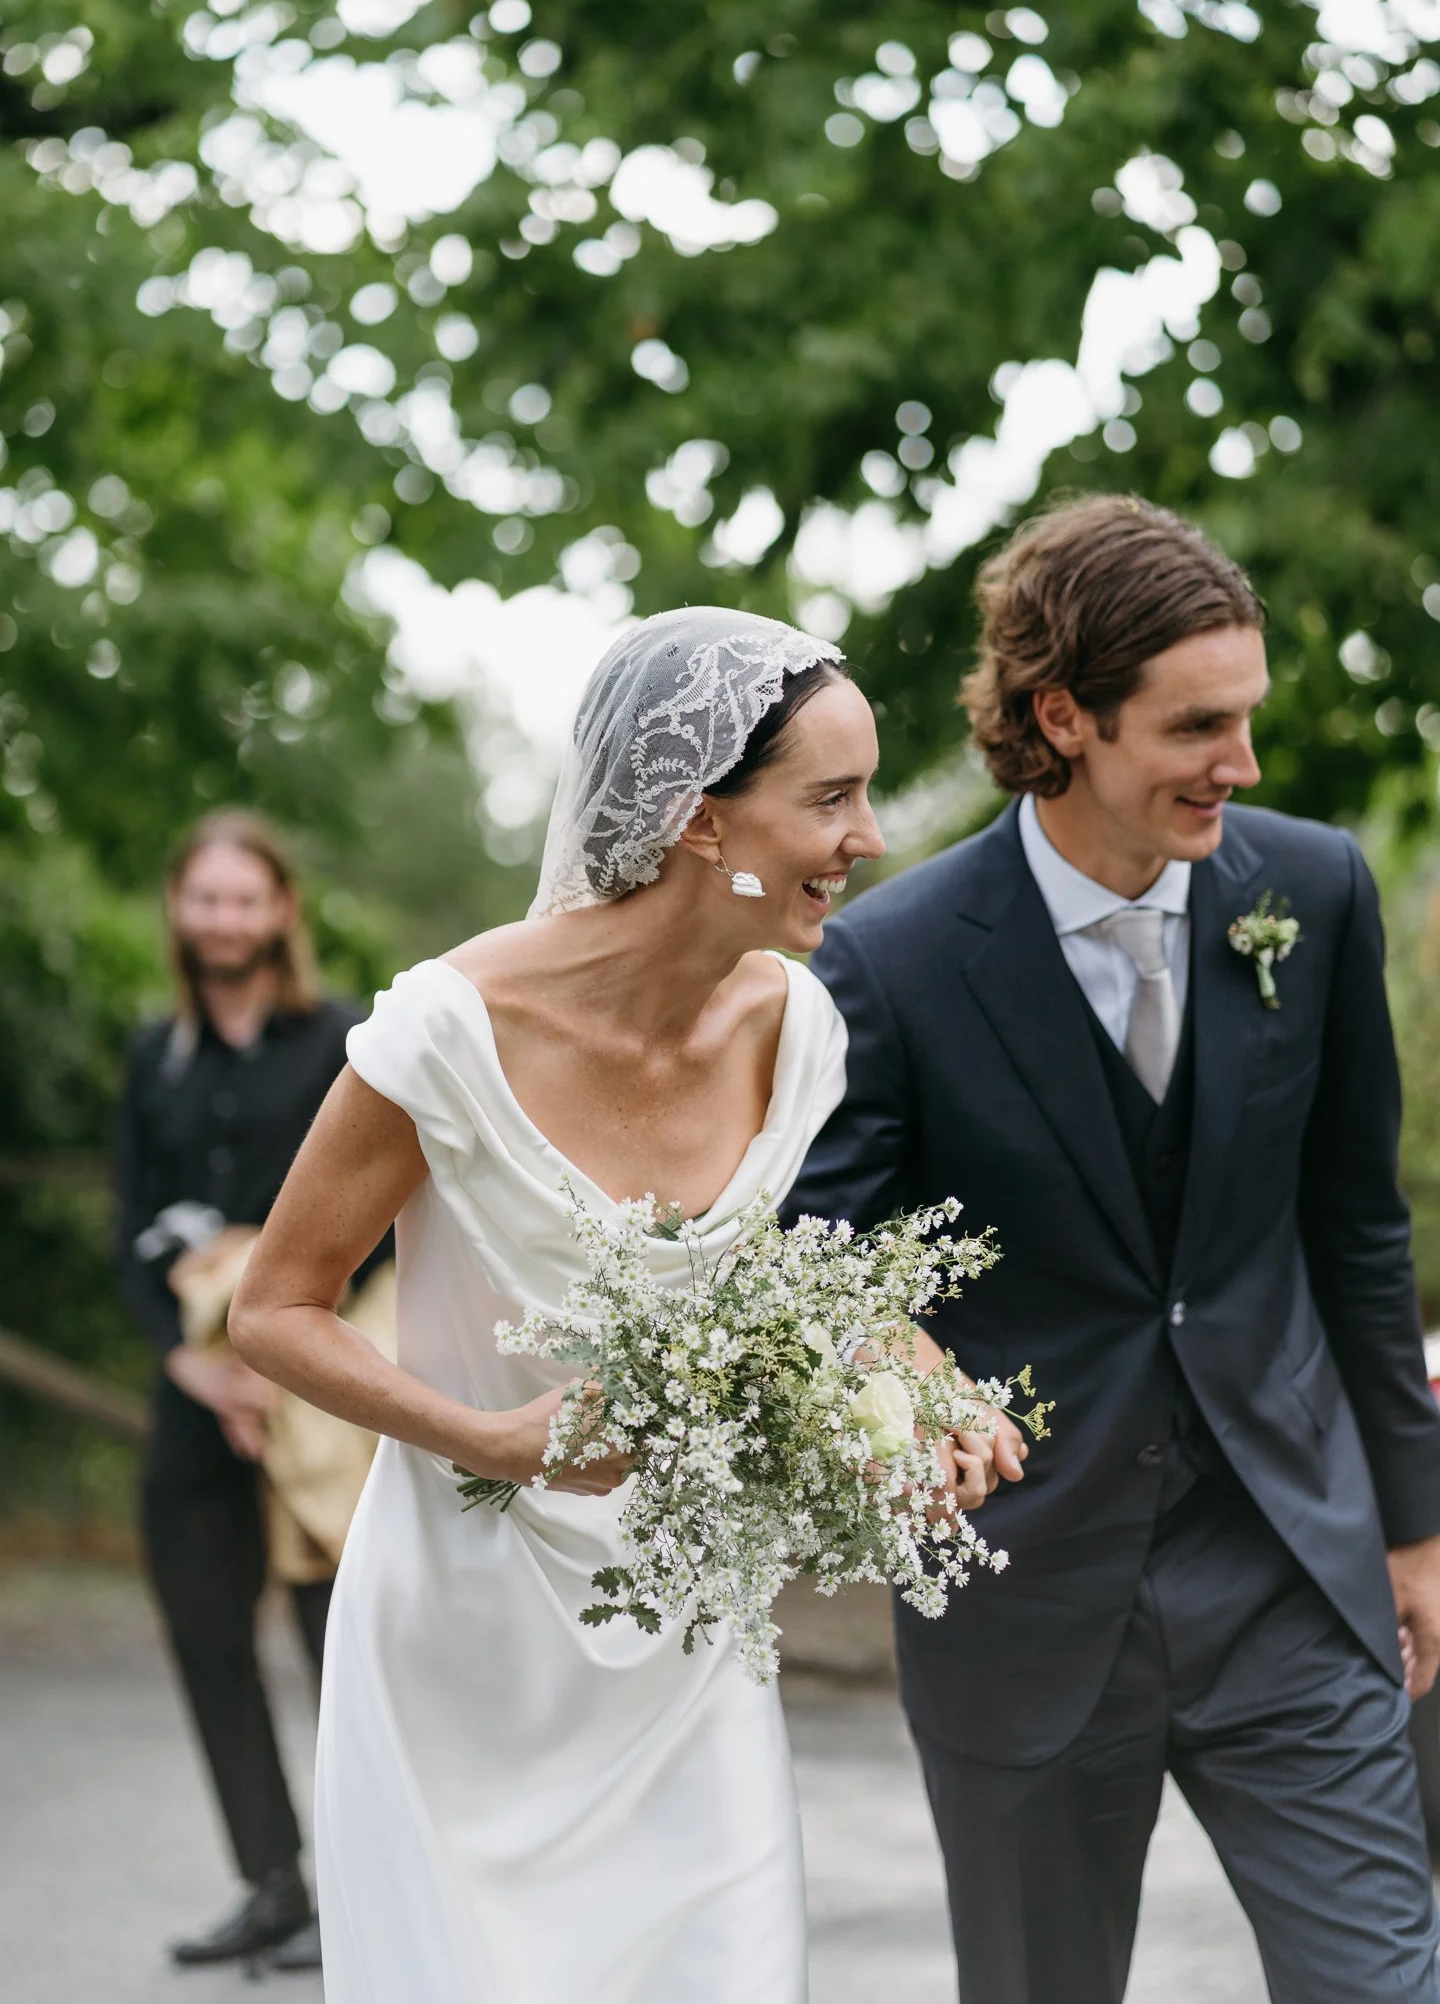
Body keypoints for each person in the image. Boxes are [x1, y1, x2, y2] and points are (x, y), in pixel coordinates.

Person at [229, 609, 989, 2002]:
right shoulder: (447, 1032)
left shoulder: (797, 1028)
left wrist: (912, 1370)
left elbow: (772, 1279)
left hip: (694, 1639)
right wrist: (497, 1439)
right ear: (704, 823)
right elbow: (274, 1311)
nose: (868, 837)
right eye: (831, 798)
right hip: (464, 1649)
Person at [786, 493, 1440, 2004]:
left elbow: (1356, 1228)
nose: (1245, 765)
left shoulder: (1315, 894)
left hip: (1289, 1556)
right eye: (1199, 726)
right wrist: (904, 1374)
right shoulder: (888, 960)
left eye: (1249, 717)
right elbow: (821, 1245)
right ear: (1065, 714)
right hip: (1028, 1588)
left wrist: (1411, 1523)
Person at [115, 810, 387, 1970]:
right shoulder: (152, 1054)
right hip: (197, 1394)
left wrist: (277, 1335)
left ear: (280, 910)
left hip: (317, 1385)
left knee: (344, 1646)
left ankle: (369, 1896)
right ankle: (271, 1883)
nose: (223, 918)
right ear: (181, 910)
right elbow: (129, 1222)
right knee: (207, 1633)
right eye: (204, 898)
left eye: (244, 897)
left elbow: (383, 1207)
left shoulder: (346, 1039)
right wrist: (191, 1361)